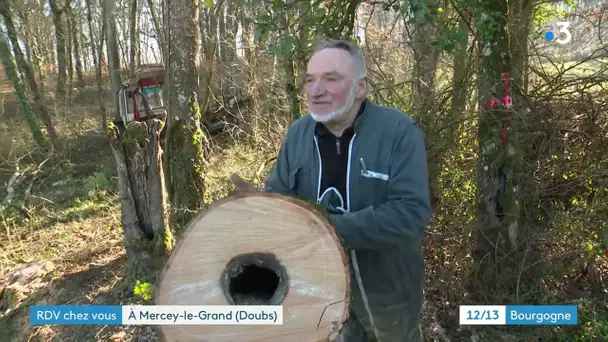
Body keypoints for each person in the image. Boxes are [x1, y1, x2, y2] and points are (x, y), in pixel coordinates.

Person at [264, 38, 432, 342]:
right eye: (310, 80)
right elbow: (277, 198)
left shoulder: (398, 132)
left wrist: (325, 228)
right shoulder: (298, 134)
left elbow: (411, 214)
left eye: (331, 79)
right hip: (322, 288)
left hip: (388, 288)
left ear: (360, 87)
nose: (316, 91)